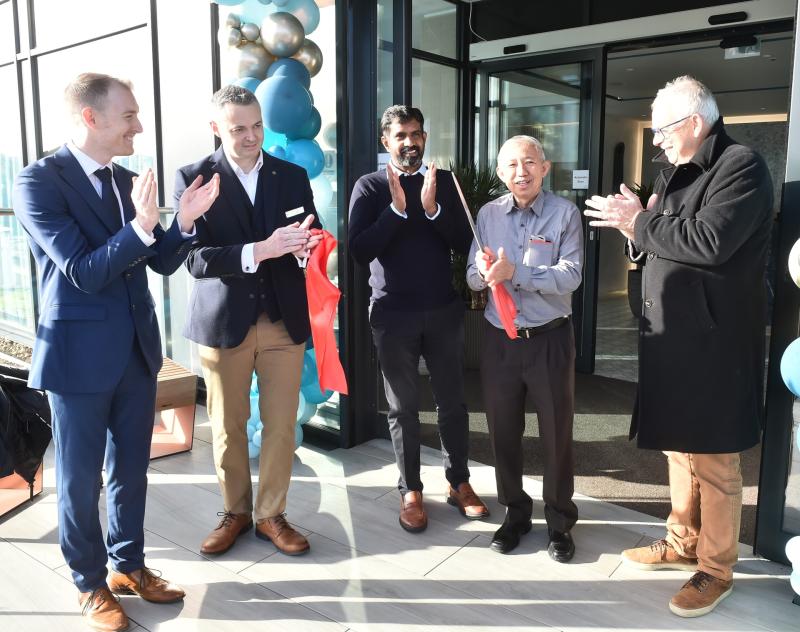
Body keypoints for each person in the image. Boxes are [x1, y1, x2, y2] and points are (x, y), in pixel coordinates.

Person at [12, 72, 219, 632]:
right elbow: (82, 271)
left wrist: (184, 224)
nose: (139, 125)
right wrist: (143, 225)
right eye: (129, 115)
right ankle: (89, 581)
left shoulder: (128, 180)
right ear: (91, 117)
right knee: (79, 480)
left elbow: (160, 261)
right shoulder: (37, 183)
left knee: (131, 469)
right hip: (76, 356)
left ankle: (129, 565)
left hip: (135, 352)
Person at [584, 75, 773, 618]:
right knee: (678, 447)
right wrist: (636, 230)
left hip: (714, 342)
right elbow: (664, 241)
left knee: (713, 458)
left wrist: (639, 222)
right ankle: (682, 539)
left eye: (663, 129)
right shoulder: (677, 172)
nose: (658, 140)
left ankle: (715, 568)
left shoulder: (740, 166)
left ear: (693, 122)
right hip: (671, 335)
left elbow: (709, 242)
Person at [176, 85, 321, 558]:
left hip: (283, 319)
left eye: (257, 125)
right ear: (216, 128)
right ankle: (235, 511)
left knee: (281, 425)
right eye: (239, 128)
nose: (251, 136)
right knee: (227, 426)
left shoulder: (293, 175)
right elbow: (193, 261)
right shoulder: (194, 179)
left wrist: (308, 248)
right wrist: (260, 250)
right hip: (223, 323)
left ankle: (271, 515)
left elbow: (309, 234)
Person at [348, 105, 489, 533]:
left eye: (416, 134)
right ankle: (410, 489)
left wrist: (431, 209)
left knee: (453, 403)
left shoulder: (444, 183)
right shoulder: (370, 187)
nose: (410, 142)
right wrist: (395, 210)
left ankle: (458, 482)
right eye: (401, 135)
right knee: (402, 407)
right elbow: (359, 250)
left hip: (443, 311)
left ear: (424, 138)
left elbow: (468, 242)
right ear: (385, 142)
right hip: (392, 315)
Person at [467, 135, 583, 561]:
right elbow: (471, 278)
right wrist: (482, 273)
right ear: (501, 172)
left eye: (530, 162)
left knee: (556, 434)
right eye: (512, 165)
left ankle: (560, 523)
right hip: (500, 340)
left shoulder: (564, 214)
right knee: (502, 432)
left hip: (549, 339)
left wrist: (513, 272)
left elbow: (570, 276)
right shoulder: (487, 214)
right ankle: (514, 515)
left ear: (545, 168)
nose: (522, 172)